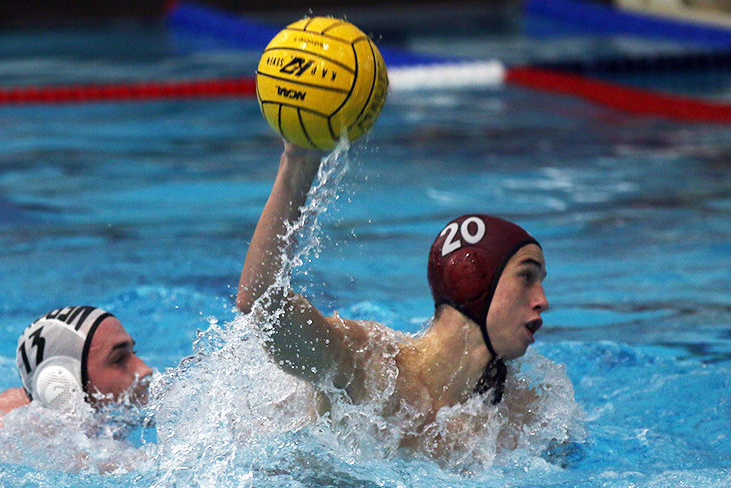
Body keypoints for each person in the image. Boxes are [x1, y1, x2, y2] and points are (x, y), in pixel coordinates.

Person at [237, 141, 553, 456]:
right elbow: (262, 303)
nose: (542, 300)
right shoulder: (367, 363)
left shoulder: (522, 412)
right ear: (471, 279)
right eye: (526, 276)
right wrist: (296, 168)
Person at [0, 305, 153, 440]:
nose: (145, 370)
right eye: (119, 359)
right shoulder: (11, 440)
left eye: (133, 353)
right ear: (62, 383)